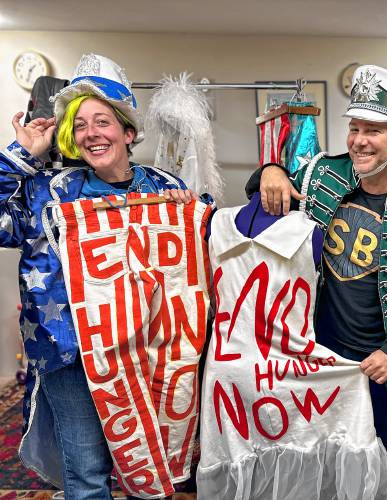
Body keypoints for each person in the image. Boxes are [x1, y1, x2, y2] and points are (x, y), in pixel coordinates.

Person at [0, 53, 194, 499]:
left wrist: (191, 215)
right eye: (80, 124)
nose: (91, 133)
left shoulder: (165, 188)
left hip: (147, 351)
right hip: (70, 354)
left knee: (151, 466)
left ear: (128, 132)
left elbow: (207, 255)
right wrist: (19, 157)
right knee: (86, 471)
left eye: (102, 121)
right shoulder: (46, 192)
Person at [252, 65, 387, 465]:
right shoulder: (321, 173)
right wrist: (271, 171)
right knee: (310, 446)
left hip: (380, 363)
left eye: (374, 130)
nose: (359, 141)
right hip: (313, 350)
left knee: (372, 451)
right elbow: (270, 196)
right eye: (355, 128)